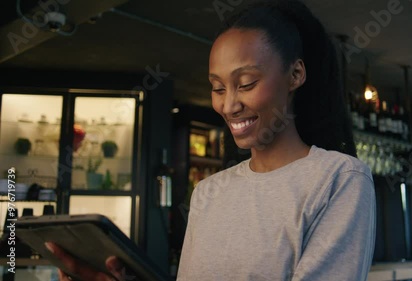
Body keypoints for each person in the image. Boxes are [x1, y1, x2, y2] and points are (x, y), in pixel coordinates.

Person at [48, 0, 375, 280]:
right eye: (218, 88)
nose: (229, 105)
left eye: (245, 83)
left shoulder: (339, 179)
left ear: (295, 75)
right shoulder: (208, 193)